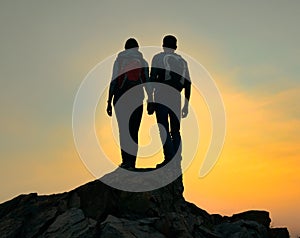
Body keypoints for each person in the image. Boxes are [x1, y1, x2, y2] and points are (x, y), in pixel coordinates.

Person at [147, 35, 191, 168]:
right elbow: (188, 83)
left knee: (163, 128)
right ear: (176, 47)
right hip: (176, 97)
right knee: (175, 130)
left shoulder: (158, 58)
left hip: (161, 95)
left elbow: (152, 79)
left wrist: (150, 99)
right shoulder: (182, 61)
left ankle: (169, 159)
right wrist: (186, 105)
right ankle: (176, 159)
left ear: (163, 45)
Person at [106, 38, 149, 169]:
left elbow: (113, 80)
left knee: (123, 130)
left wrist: (109, 102)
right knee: (134, 130)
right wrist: (150, 99)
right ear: (137, 48)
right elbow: (147, 82)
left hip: (120, 98)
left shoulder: (119, 60)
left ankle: (125, 162)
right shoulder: (142, 61)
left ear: (125, 48)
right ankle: (132, 163)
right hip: (137, 98)